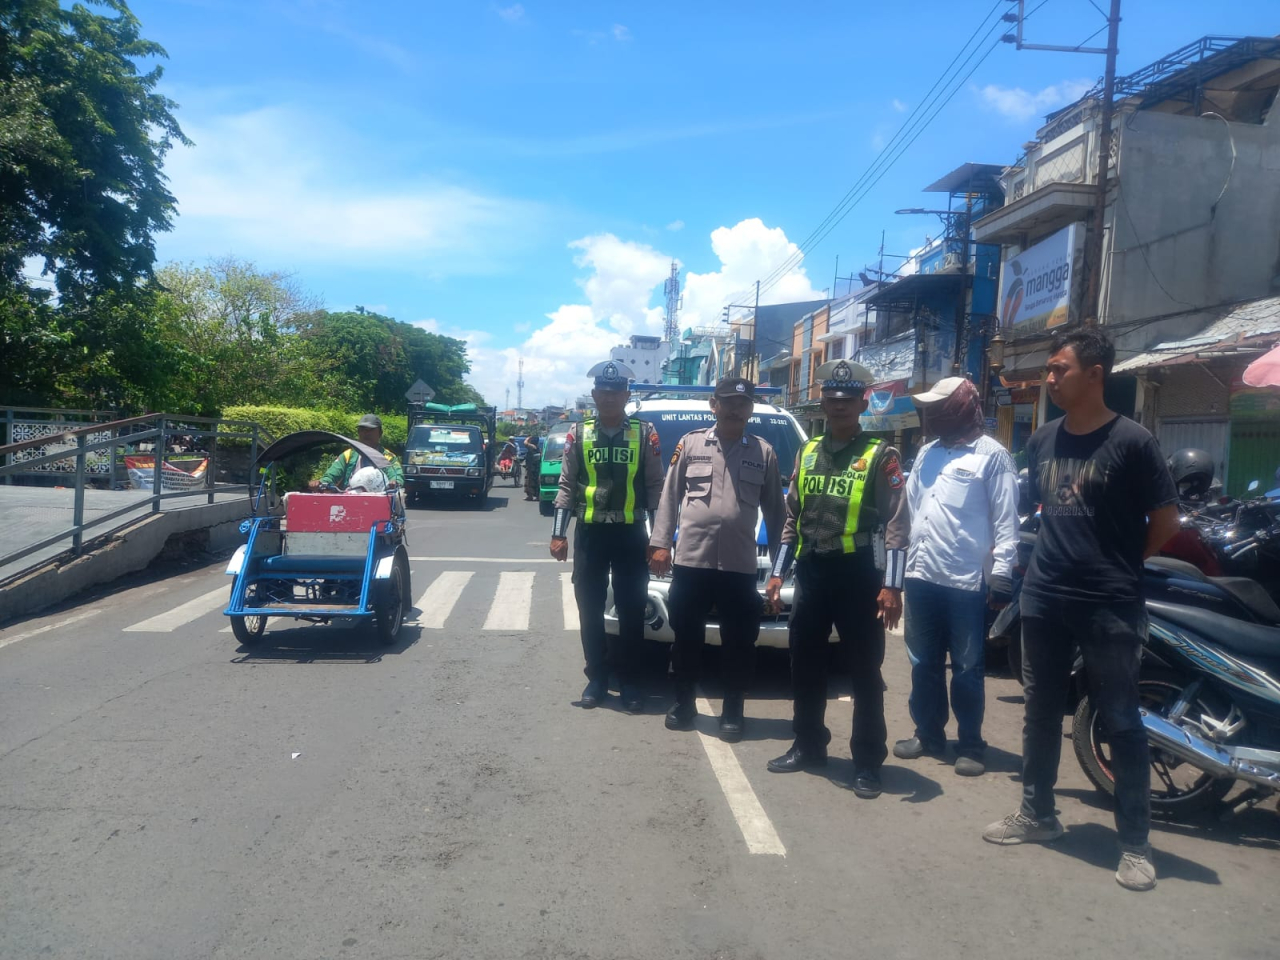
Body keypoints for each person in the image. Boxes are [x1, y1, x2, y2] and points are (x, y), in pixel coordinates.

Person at [982, 327, 1180, 894]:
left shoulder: (1133, 441)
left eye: (1059, 369)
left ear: (1095, 375)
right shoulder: (1043, 439)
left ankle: (1135, 844)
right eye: (1048, 369)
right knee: (1040, 711)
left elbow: (1166, 523)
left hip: (1109, 602)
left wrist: (1119, 564)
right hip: (1045, 596)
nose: (1049, 378)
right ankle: (1037, 813)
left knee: (1121, 719)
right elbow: (1040, 510)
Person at [764, 360, 906, 799]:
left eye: (848, 399)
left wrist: (892, 586)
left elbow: (897, 524)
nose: (839, 406)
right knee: (804, 663)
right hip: (813, 572)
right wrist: (777, 573)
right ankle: (808, 744)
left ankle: (867, 762)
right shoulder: (807, 452)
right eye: (831, 399)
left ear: (862, 403)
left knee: (864, 671)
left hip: (859, 574)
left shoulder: (881, 455)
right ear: (822, 402)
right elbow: (792, 518)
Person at [885, 376, 1019, 777]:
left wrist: (1002, 574)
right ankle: (928, 734)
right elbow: (908, 512)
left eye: (937, 409)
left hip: (966, 582)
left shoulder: (993, 457)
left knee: (967, 666)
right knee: (923, 662)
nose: (929, 417)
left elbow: (1006, 521)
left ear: (959, 408)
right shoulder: (927, 453)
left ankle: (971, 744)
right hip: (921, 575)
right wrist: (894, 569)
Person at [650, 377, 786, 742]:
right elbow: (669, 495)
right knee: (686, 637)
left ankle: (732, 710)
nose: (736, 409)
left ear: (751, 409)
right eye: (728, 402)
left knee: (740, 642)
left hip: (739, 566)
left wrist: (779, 568)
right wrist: (660, 542)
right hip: (692, 562)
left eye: (743, 404)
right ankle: (683, 703)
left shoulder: (764, 452)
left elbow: (777, 514)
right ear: (715, 405)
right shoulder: (690, 443)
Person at [550, 361, 664, 713]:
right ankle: (597, 678)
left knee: (632, 609)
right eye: (604, 392)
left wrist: (659, 539)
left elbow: (655, 487)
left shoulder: (645, 433)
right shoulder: (578, 433)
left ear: (627, 396)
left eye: (617, 392)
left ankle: (630, 682)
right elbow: (567, 485)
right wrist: (558, 533)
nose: (610, 397)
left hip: (631, 535)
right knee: (589, 607)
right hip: (591, 534)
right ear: (595, 395)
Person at [312, 414, 404, 490]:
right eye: (362, 429)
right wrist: (322, 482)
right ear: (358, 432)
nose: (366, 433)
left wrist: (395, 481)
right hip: (350, 499)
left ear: (380, 433)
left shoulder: (388, 457)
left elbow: (396, 474)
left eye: (370, 430)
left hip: (379, 499)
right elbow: (331, 474)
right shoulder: (348, 455)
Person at [523, 430, 542, 501]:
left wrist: (528, 438)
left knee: (530, 481)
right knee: (536, 481)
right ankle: (536, 496)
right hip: (536, 467)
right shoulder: (537, 448)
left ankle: (530, 496)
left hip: (532, 467)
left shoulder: (532, 446)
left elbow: (525, 443)